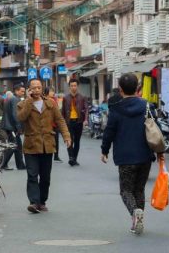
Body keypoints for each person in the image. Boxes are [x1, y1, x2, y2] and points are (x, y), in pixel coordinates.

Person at [101, 73, 157, 236]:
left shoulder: (116, 108)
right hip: (145, 155)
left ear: (120, 89)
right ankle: (138, 218)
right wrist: (159, 152)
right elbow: (155, 129)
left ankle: (135, 213)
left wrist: (104, 150)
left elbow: (109, 131)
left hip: (125, 157)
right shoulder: (147, 106)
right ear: (138, 88)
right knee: (139, 189)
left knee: (126, 190)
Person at [17, 78, 71, 214]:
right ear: (29, 89)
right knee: (32, 175)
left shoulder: (50, 103)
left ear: (42, 89)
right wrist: (29, 101)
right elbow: (21, 118)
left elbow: (60, 120)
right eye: (33, 87)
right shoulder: (22, 104)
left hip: (47, 145)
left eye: (38, 87)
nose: (36, 90)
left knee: (45, 177)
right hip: (31, 146)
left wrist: (66, 135)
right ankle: (34, 202)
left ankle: (42, 201)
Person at [61, 77, 88, 166]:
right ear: (69, 87)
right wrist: (62, 122)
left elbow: (86, 109)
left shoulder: (82, 97)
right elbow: (63, 111)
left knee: (77, 141)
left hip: (78, 121)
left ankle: (74, 158)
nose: (73, 87)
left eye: (75, 85)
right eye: (72, 86)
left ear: (77, 86)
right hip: (68, 122)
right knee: (69, 140)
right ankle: (71, 157)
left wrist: (86, 120)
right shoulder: (65, 98)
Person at [1, 84, 26, 170]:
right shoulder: (15, 99)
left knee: (17, 146)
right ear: (16, 91)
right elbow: (15, 115)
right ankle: (3, 164)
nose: (23, 93)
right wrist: (19, 127)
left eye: (24, 91)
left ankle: (20, 165)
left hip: (9, 126)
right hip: (12, 127)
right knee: (14, 145)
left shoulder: (11, 99)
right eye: (21, 91)